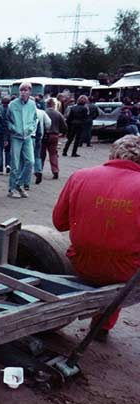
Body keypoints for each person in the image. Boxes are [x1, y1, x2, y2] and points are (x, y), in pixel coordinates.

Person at [53, 135, 140, 342]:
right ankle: (102, 326)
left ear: (112, 153)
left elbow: (59, 223)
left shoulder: (80, 176)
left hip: (81, 263)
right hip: (126, 271)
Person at [6, 82, 37, 198]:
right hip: (16, 137)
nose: (23, 92)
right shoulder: (12, 104)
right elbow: (7, 120)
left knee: (30, 161)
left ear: (30, 91)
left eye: (25, 90)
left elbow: (35, 119)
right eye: (21, 90)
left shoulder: (32, 104)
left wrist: (31, 128)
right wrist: (13, 129)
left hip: (27, 136)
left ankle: (19, 184)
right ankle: (12, 189)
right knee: (15, 164)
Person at [42, 98, 67, 179]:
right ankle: (55, 170)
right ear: (54, 105)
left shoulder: (43, 113)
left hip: (44, 135)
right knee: (53, 154)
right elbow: (64, 126)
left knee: (42, 154)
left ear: (47, 104)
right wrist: (62, 133)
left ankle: (39, 170)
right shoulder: (58, 114)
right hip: (54, 136)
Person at [32, 107, 52, 185]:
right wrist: (46, 130)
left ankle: (25, 175)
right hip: (39, 136)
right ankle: (38, 171)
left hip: (29, 136)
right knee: (37, 155)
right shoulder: (42, 112)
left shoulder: (26, 111)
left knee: (26, 157)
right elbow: (49, 122)